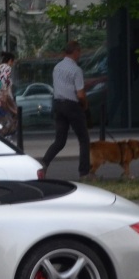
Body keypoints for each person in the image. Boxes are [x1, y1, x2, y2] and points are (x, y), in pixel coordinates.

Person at [41, 40, 92, 179]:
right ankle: (84, 172)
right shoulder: (76, 70)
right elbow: (80, 94)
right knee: (83, 139)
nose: (79, 55)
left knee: (60, 140)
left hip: (58, 104)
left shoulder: (57, 67)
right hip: (72, 105)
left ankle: (44, 164)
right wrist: (85, 104)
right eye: (79, 52)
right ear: (75, 52)